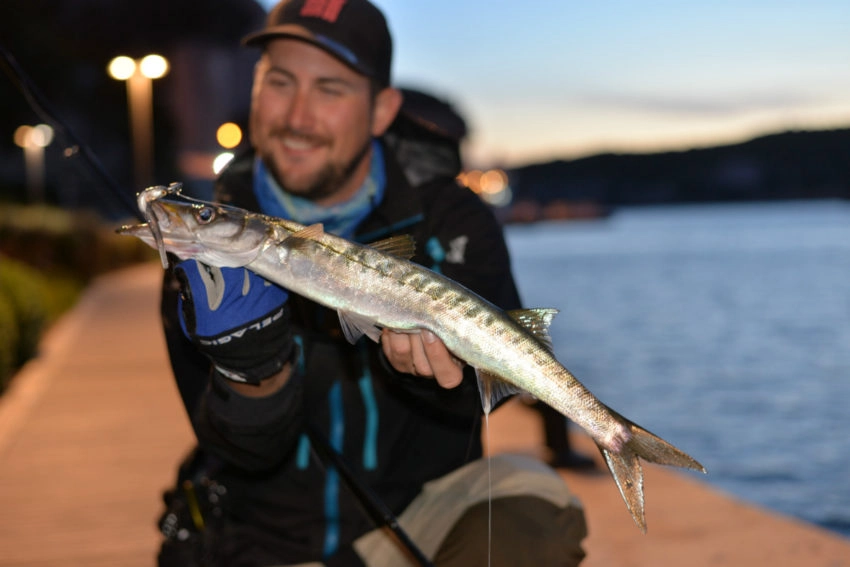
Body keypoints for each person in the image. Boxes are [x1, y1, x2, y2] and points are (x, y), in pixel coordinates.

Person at [156, 1, 587, 565]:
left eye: (330, 89)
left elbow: (489, 396)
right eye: (280, 82)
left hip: (413, 522)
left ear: (382, 110)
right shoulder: (209, 242)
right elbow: (239, 451)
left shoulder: (451, 219)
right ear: (256, 89)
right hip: (266, 543)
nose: (297, 115)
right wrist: (251, 370)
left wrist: (428, 377)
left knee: (534, 504)